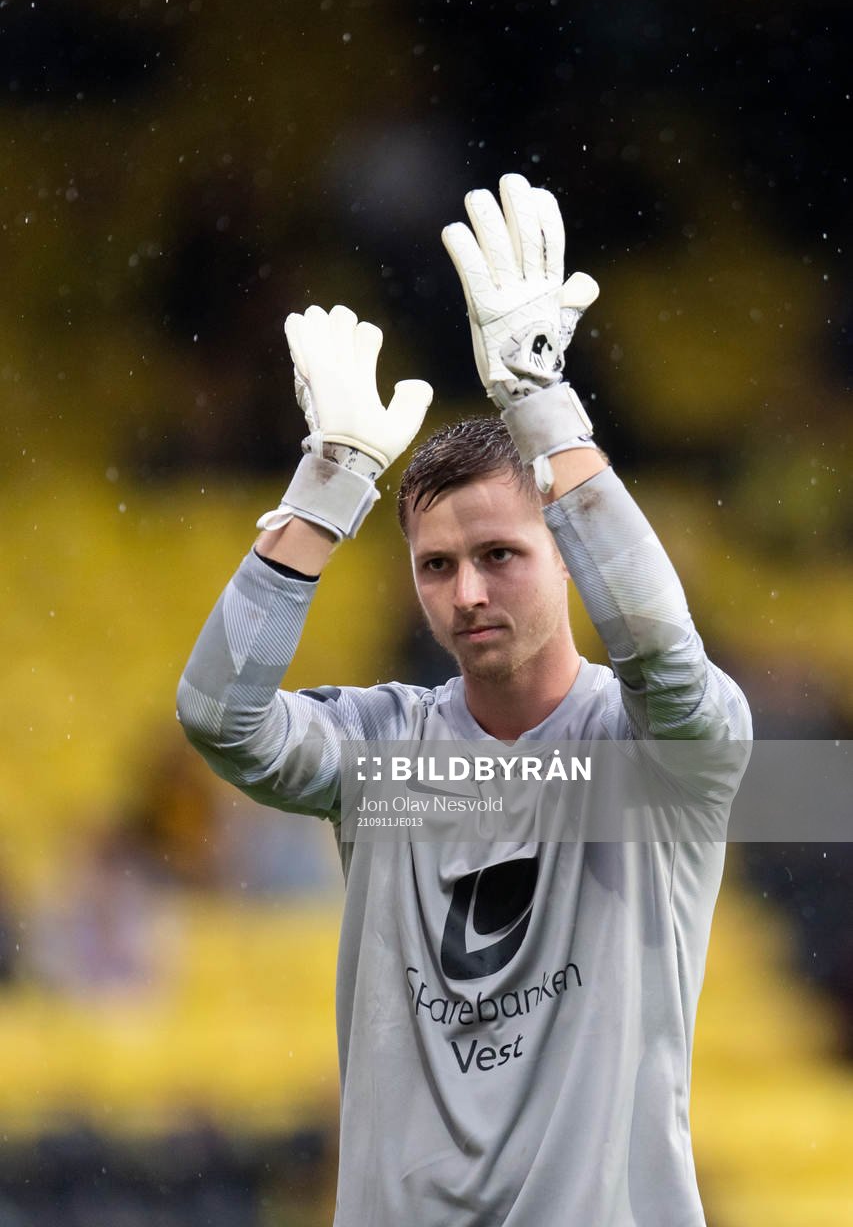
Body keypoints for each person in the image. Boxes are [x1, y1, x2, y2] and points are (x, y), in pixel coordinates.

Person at [177, 174, 751, 1226]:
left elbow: (664, 658)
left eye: (499, 553)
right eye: (436, 564)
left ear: (567, 554)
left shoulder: (656, 753)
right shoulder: (385, 751)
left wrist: (540, 401)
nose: (468, 590)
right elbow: (223, 717)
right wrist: (328, 482)